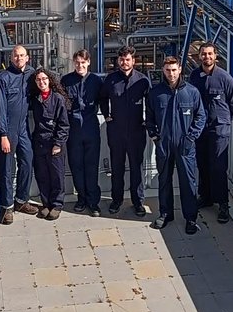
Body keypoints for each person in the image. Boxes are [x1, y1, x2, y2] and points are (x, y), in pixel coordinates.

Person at [146, 56, 206, 234]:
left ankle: (190, 218)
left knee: (188, 182)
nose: (171, 74)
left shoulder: (192, 92)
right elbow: (149, 117)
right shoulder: (156, 93)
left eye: (174, 70)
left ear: (180, 69)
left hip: (185, 146)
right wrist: (154, 136)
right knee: (164, 180)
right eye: (167, 70)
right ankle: (165, 213)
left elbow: (200, 116)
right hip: (164, 145)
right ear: (163, 71)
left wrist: (191, 138)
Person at [189, 43, 233, 224]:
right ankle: (206, 197)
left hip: (219, 130)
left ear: (215, 56)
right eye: (204, 54)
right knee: (202, 164)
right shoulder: (194, 76)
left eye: (210, 54)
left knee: (218, 167)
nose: (207, 57)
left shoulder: (224, 78)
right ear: (199, 56)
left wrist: (223, 121)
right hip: (200, 129)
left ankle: (223, 204)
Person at [99, 47, 151, 216]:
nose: (124, 62)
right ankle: (116, 200)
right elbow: (103, 97)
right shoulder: (111, 80)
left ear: (133, 61)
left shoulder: (142, 81)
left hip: (137, 131)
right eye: (121, 60)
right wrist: (106, 115)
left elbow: (150, 103)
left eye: (127, 59)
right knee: (117, 167)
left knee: (137, 168)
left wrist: (146, 120)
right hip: (116, 132)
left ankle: (138, 202)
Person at [0, 44, 35, 224]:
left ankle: (21, 200)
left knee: (27, 162)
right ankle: (7, 206)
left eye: (22, 55)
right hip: (8, 129)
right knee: (6, 169)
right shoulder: (3, 79)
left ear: (28, 58)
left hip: (24, 127)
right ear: (11, 58)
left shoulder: (32, 74)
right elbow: (0, 109)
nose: (19, 58)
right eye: (16, 56)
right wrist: (3, 134)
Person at [61, 49, 103, 216]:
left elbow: (104, 100)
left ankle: (93, 202)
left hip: (91, 127)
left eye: (83, 62)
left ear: (88, 62)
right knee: (76, 165)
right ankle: (81, 199)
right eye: (77, 62)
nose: (80, 65)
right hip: (73, 130)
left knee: (92, 166)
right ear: (73, 63)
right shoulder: (66, 80)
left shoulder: (96, 81)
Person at [29, 69, 70, 219]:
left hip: (54, 142)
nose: (42, 82)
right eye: (38, 80)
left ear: (50, 80)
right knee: (42, 174)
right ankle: (46, 203)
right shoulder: (35, 99)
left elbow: (64, 124)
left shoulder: (58, 99)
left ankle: (57, 204)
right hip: (39, 142)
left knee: (57, 175)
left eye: (44, 79)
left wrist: (58, 143)